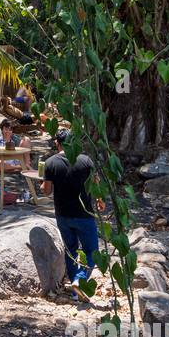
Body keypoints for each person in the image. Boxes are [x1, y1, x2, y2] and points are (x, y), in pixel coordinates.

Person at [41, 128, 105, 302]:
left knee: (71, 251)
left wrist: (42, 185)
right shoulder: (86, 160)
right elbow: (96, 183)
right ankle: (80, 280)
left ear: (57, 143)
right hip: (84, 215)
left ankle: (76, 287)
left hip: (63, 215)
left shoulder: (50, 162)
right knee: (92, 250)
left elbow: (46, 192)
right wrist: (100, 200)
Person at [0, 118, 33, 202]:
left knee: (26, 139)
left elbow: (24, 144)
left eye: (10, 130)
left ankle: (27, 164)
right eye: (6, 129)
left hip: (14, 160)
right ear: (2, 129)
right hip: (3, 163)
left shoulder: (14, 138)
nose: (8, 132)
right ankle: (22, 167)